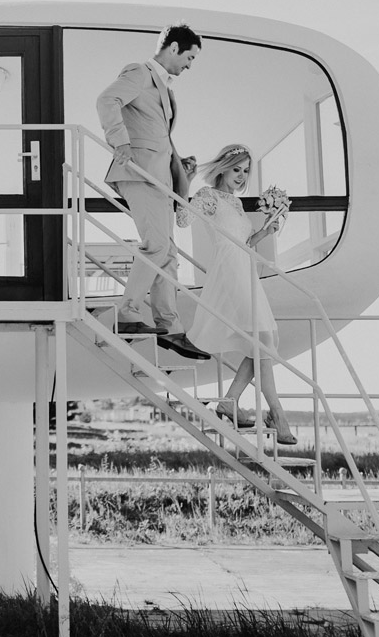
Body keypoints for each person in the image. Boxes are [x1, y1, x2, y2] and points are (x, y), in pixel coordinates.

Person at [96, 22, 209, 361]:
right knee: (157, 246)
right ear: (173, 47)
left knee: (169, 254)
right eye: (189, 57)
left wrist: (178, 165)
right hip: (138, 172)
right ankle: (127, 313)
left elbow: (158, 135)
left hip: (159, 176)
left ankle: (170, 327)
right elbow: (106, 100)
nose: (190, 66)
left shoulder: (164, 87)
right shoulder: (139, 72)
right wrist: (121, 143)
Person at [177, 144, 295, 444]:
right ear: (223, 168)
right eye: (236, 169)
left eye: (245, 172)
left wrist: (264, 234)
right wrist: (186, 184)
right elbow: (181, 221)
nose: (241, 177)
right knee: (263, 341)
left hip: (245, 268)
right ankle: (278, 414)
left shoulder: (236, 202)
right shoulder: (208, 196)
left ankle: (230, 401)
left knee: (261, 342)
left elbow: (242, 242)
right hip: (229, 271)